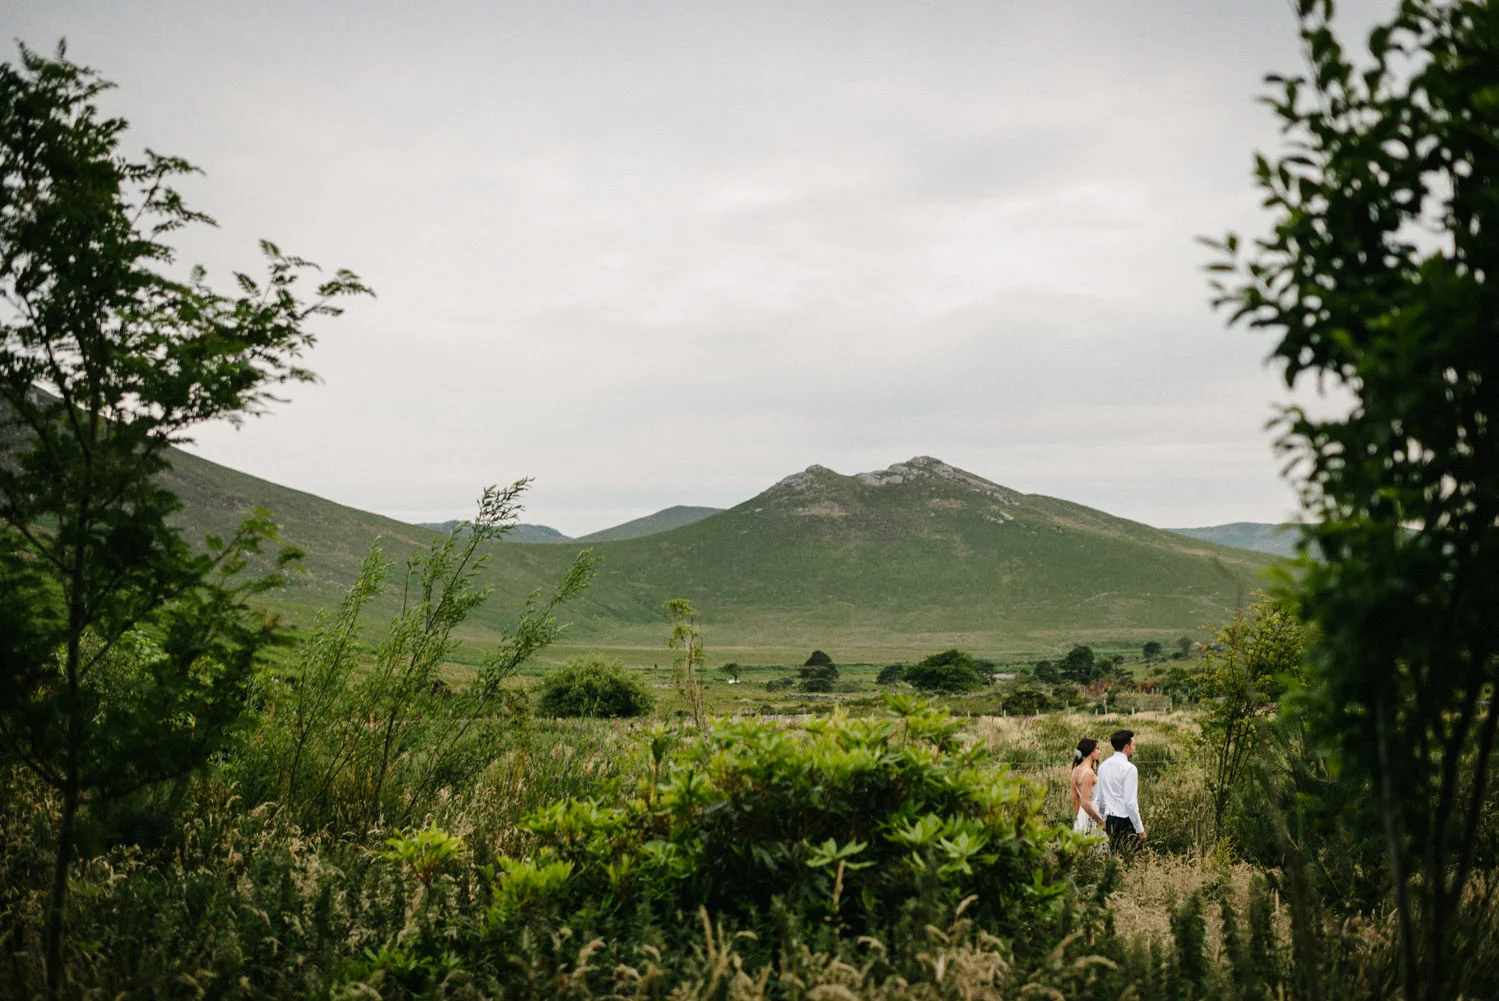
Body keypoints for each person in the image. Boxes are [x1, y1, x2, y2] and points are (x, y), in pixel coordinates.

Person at [1096, 728, 1145, 854]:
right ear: (1126, 747)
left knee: (1115, 856)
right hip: (1125, 820)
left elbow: (1100, 798)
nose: (1134, 748)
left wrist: (1102, 819)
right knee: (1132, 857)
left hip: (1109, 819)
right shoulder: (1130, 769)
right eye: (1133, 745)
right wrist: (1140, 830)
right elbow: (1130, 803)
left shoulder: (1103, 766)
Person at [1070, 738, 1105, 835]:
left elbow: (1075, 799)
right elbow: (1085, 802)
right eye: (1097, 749)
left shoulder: (1075, 771)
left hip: (1083, 814)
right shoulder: (1088, 773)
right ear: (1090, 752)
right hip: (1093, 812)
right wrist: (1101, 822)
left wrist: (1080, 818)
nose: (1099, 752)